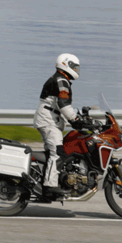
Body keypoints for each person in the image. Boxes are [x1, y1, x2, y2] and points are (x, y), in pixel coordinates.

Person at [34, 53, 81, 192]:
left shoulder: (60, 79)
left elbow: (61, 104)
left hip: (49, 119)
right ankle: (49, 186)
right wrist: (75, 120)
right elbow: (64, 104)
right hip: (48, 121)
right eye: (75, 67)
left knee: (52, 153)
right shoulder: (61, 80)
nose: (77, 70)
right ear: (66, 65)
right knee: (58, 153)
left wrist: (78, 117)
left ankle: (47, 178)